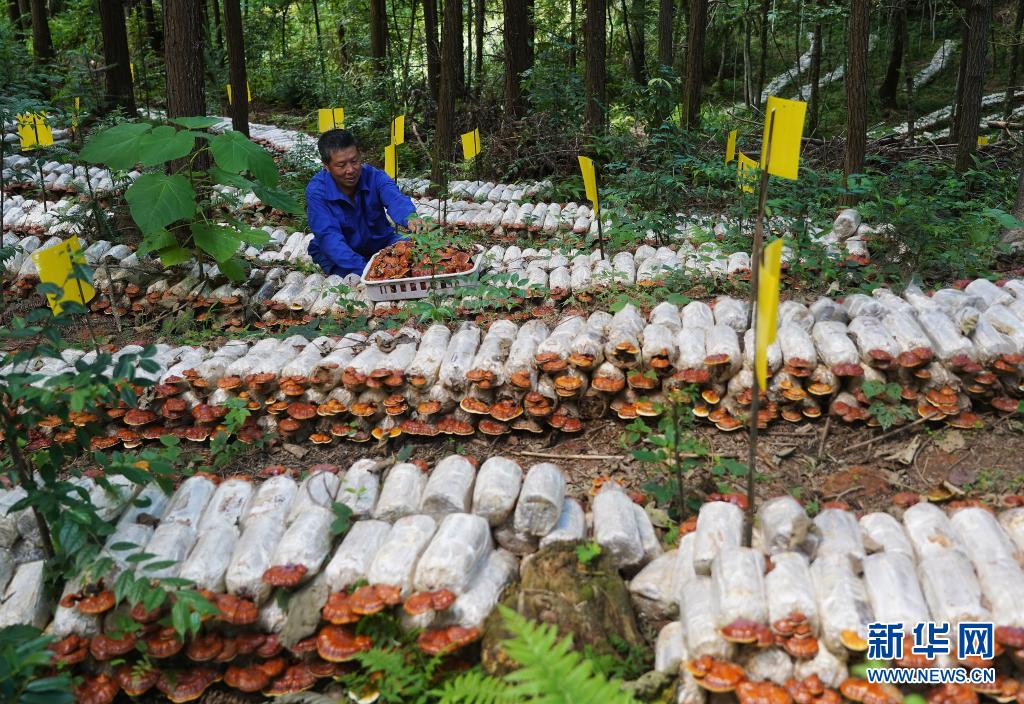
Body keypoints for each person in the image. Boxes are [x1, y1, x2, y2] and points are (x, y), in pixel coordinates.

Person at [305, 129, 424, 277]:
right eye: (341, 165)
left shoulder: (375, 176)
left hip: (380, 243)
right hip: (340, 254)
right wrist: (368, 269)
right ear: (326, 166)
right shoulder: (317, 191)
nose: (350, 170)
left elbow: (395, 199)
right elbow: (329, 237)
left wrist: (410, 217)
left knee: (418, 246)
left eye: (354, 161)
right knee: (350, 276)